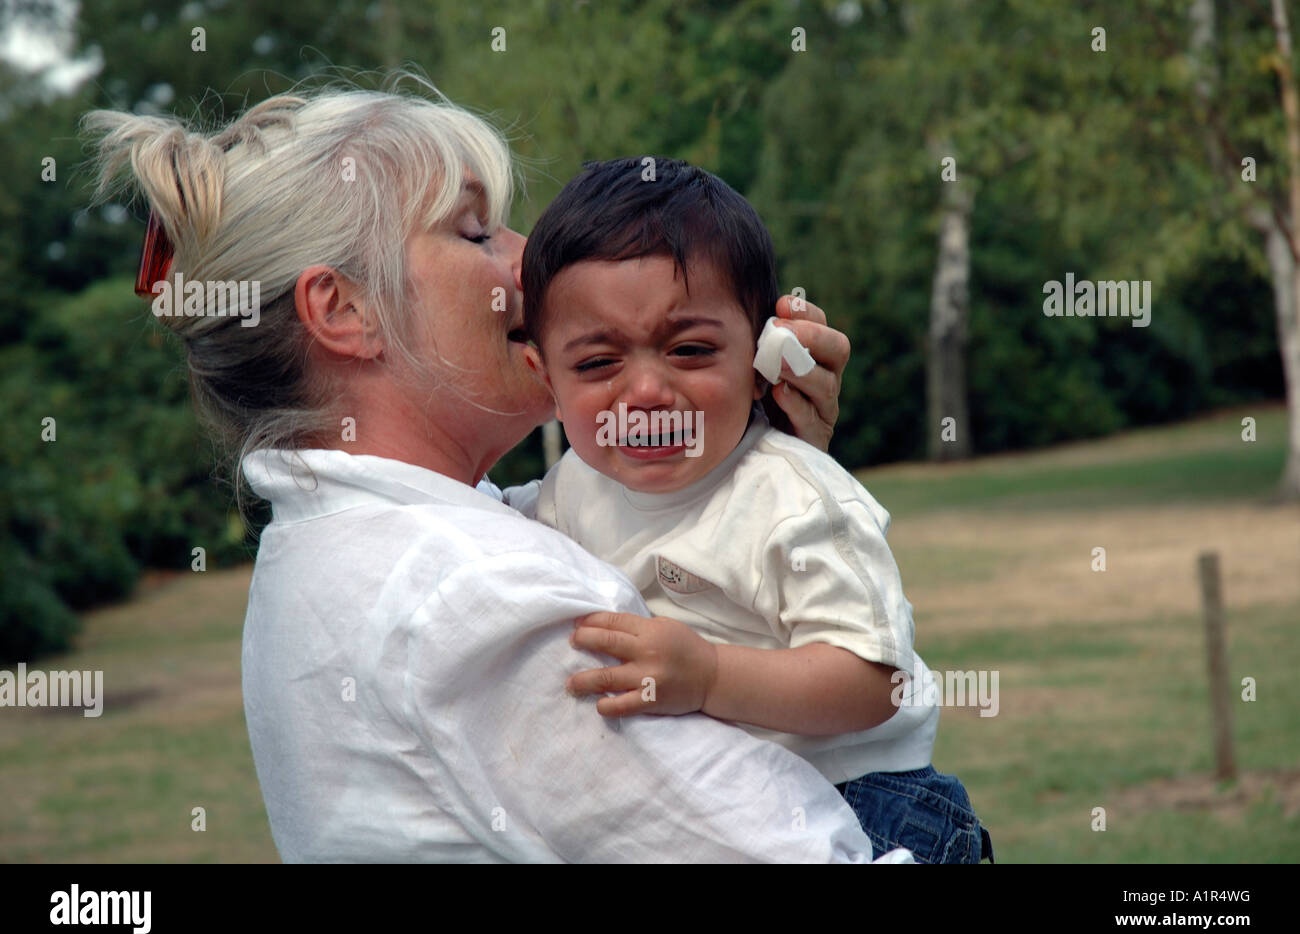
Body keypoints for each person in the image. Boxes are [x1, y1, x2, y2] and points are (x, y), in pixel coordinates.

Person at [85, 80, 911, 862]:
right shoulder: (473, 594)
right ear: (344, 310)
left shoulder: (354, 546)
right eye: (476, 232)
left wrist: (754, 471)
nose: (533, 265)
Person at [519, 157, 992, 863]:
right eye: (596, 364)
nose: (646, 389)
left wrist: (709, 674)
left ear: (766, 357)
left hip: (867, 802)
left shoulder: (796, 497)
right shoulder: (564, 494)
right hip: (732, 810)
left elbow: (873, 679)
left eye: (691, 350)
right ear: (545, 381)